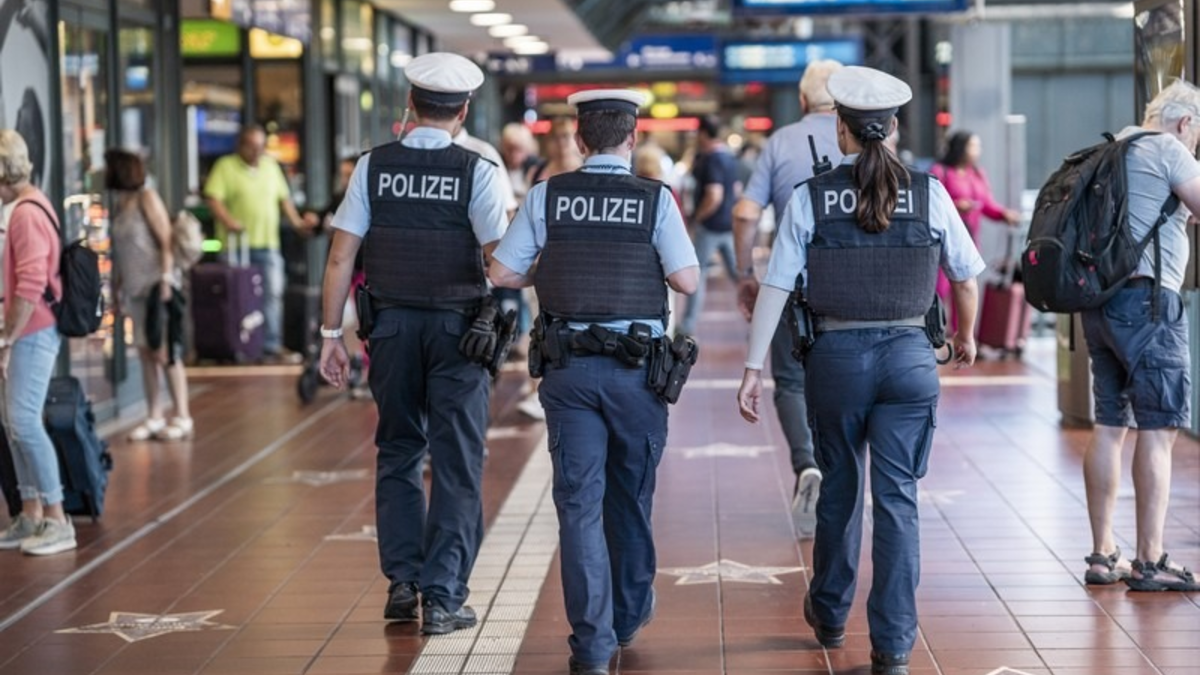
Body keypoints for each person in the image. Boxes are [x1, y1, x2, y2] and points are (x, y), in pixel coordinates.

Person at [736, 67, 984, 675]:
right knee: (897, 499)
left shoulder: (811, 197)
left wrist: (751, 369)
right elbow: (965, 275)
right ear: (894, 129)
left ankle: (827, 611)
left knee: (840, 492)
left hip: (836, 362)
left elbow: (775, 286)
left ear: (841, 132)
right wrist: (966, 335)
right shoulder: (928, 193)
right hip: (909, 360)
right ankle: (894, 644)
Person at [489, 89, 700, 675]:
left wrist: (551, 266)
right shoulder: (654, 200)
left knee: (579, 505)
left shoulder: (546, 196)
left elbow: (502, 271)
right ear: (632, 139)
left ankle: (592, 645)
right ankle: (628, 616)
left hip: (569, 370)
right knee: (630, 497)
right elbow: (685, 280)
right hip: (638, 374)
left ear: (579, 142)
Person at [317, 52, 508, 634]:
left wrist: (330, 336)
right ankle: (444, 597)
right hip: (459, 333)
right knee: (457, 460)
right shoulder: (478, 170)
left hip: (391, 328)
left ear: (410, 105)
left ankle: (403, 584)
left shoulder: (372, 167)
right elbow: (497, 262)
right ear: (465, 110)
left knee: (399, 450)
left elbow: (340, 256)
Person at [1081, 80, 1200, 592]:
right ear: (1185, 123)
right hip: (1149, 304)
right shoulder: (1170, 149)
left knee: (1110, 424)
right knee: (1159, 427)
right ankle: (1150, 559)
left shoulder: (1113, 149)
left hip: (1099, 303)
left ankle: (1104, 553)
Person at [732, 59, 843, 539]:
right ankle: (841, 472)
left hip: (790, 281)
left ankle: (806, 463)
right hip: (854, 286)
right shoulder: (864, 138)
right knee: (846, 376)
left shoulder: (780, 141)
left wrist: (744, 273)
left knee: (792, 382)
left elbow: (744, 212)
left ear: (801, 101)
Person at [0, 129, 75, 556]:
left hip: (33, 331)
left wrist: (8, 336)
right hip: (29, 331)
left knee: (25, 423)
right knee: (15, 425)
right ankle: (30, 512)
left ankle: (57, 519)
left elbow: (30, 285)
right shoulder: (29, 205)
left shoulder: (25, 214)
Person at [203, 125, 317, 362]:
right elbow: (213, 198)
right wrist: (229, 222)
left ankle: (270, 346)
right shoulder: (226, 166)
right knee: (236, 296)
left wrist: (297, 223)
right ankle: (238, 344)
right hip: (236, 246)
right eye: (252, 147)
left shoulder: (270, 166)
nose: (257, 152)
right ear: (241, 146)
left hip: (268, 244)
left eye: (261, 147)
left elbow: (284, 200)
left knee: (272, 295)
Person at [105, 149, 193, 441]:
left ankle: (181, 415)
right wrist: (117, 287)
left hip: (158, 285)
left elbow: (165, 240)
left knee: (165, 350)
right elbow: (122, 252)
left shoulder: (147, 198)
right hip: (134, 288)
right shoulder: (120, 205)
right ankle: (154, 414)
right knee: (145, 351)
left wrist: (167, 279)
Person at [930, 130, 1021, 314]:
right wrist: (956, 206)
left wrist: (1004, 214)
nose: (977, 151)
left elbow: (986, 204)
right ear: (960, 148)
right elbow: (931, 204)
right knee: (940, 289)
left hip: (968, 240)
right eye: (973, 146)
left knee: (965, 289)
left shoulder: (977, 173)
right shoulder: (940, 171)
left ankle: (960, 335)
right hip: (942, 242)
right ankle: (936, 336)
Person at [678, 114, 740, 337]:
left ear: (704, 133)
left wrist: (697, 217)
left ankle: (687, 326)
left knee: (698, 274)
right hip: (729, 225)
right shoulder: (730, 157)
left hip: (710, 226)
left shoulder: (711, 159)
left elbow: (714, 194)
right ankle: (766, 320)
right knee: (740, 275)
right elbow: (736, 190)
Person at [527, 116, 583, 185]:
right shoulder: (536, 172)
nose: (561, 143)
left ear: (576, 139)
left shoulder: (587, 169)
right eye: (556, 138)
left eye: (565, 136)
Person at [501, 122, 539, 201]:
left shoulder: (536, 168)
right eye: (509, 149)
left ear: (527, 150)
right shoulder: (498, 166)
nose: (513, 154)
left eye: (518, 149)